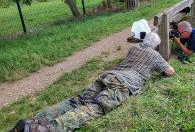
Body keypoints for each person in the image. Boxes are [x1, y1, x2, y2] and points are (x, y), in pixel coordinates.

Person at [11, 32, 175, 132]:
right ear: (155, 46)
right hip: (124, 83)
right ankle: (46, 130)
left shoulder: (134, 48)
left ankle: (33, 122)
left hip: (108, 75)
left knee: (78, 100)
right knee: (95, 107)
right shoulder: (155, 56)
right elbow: (169, 71)